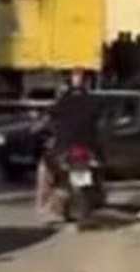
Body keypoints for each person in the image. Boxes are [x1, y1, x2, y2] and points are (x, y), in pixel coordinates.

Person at [36, 69, 103, 217]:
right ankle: (98, 196)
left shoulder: (63, 100)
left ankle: (43, 205)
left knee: (44, 169)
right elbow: (98, 121)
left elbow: (47, 117)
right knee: (98, 167)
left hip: (65, 148)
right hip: (87, 147)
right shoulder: (93, 101)